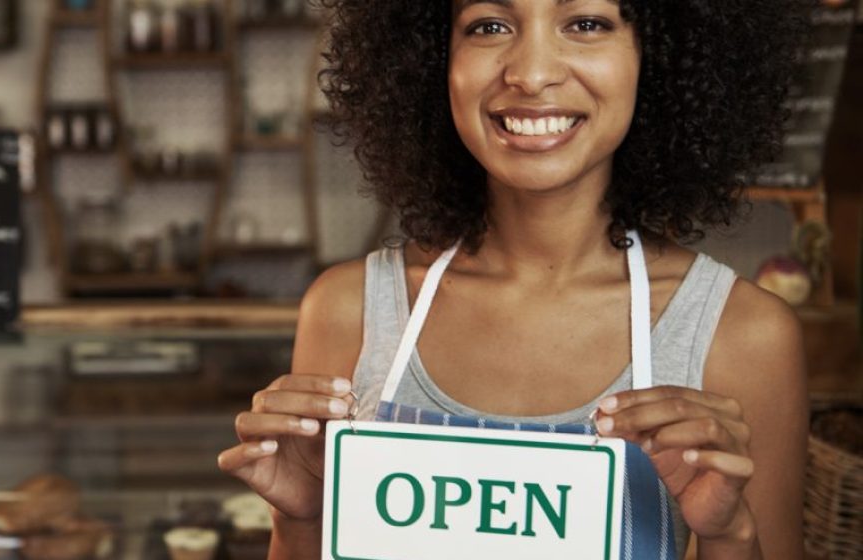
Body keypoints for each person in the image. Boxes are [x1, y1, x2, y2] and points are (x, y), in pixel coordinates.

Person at [217, 0, 809, 558]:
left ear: (657, 56)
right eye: (489, 25)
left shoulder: (744, 335)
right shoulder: (348, 310)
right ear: (431, 60)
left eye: (586, 23)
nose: (530, 72)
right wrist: (300, 519)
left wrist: (729, 537)